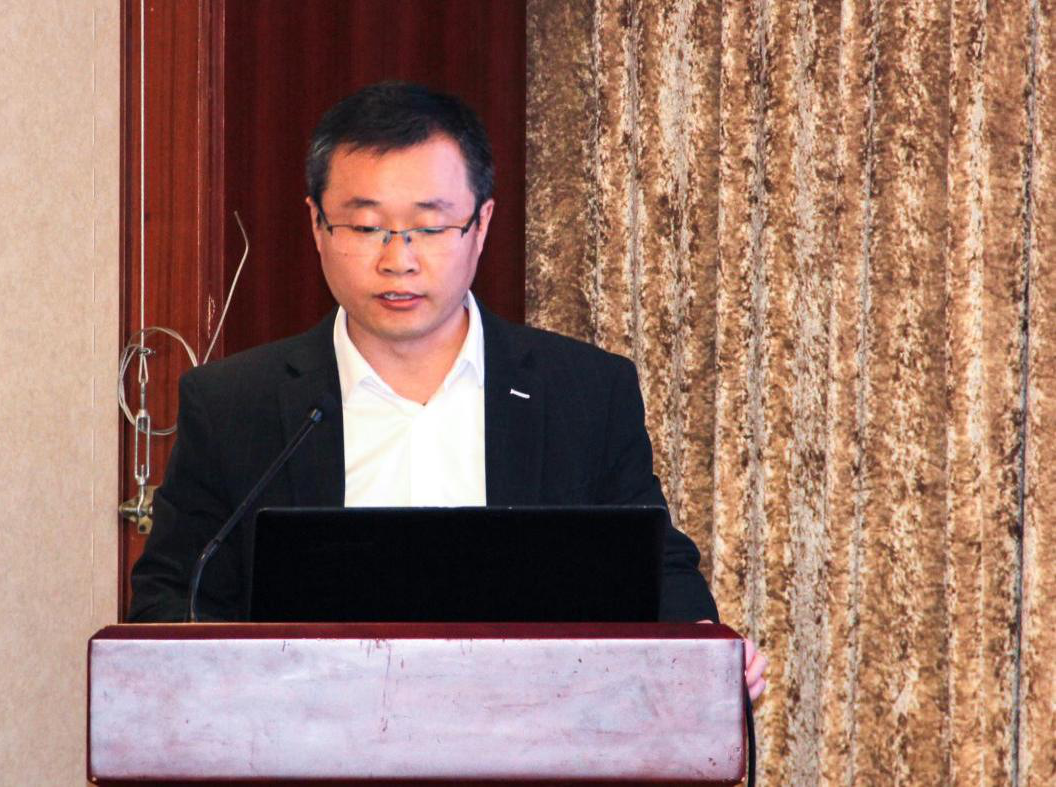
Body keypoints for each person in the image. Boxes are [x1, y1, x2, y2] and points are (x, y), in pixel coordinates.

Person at [128, 81, 767, 701]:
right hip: (311, 742)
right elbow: (172, 601)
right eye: (365, 227)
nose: (398, 260)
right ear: (317, 226)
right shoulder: (235, 405)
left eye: (430, 228)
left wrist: (704, 650)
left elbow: (652, 569)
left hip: (530, 740)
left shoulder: (583, 393)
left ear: (481, 224)